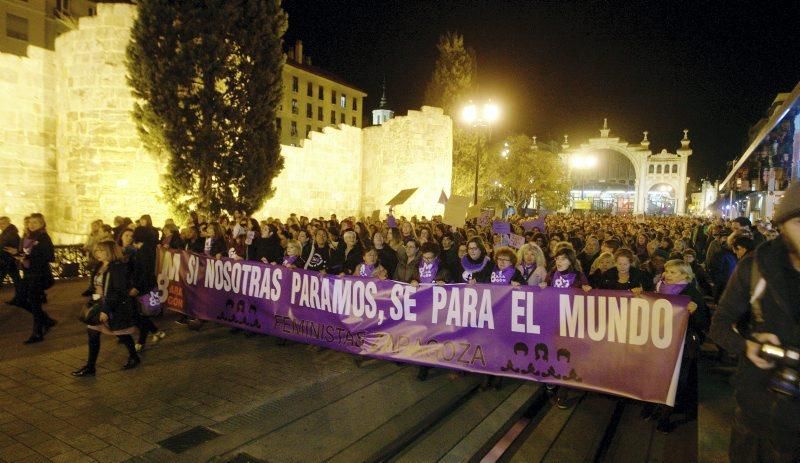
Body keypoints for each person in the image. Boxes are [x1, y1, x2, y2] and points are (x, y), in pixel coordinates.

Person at [709, 182, 800, 462]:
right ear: (782, 224)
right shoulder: (755, 268)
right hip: (759, 418)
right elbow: (720, 325)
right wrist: (747, 346)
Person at [644, 259, 709, 433]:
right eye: (667, 271)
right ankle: (655, 406)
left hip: (682, 345)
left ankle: (665, 416)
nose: (667, 275)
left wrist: (694, 311)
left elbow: (704, 322)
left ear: (685, 275)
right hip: (659, 342)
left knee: (675, 380)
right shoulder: (658, 289)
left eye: (673, 272)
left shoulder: (692, 294)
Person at [72, 240, 140, 376]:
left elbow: (118, 292)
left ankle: (134, 356)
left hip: (114, 307)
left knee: (122, 333)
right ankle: (90, 367)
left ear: (111, 251)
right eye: (97, 250)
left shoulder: (118, 268)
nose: (98, 253)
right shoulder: (99, 266)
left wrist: (106, 309)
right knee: (92, 333)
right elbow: (95, 285)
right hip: (99, 304)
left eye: (102, 250)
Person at [4, 213, 57, 344]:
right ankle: (46, 320)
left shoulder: (43, 237)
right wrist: (17, 253)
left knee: (35, 303)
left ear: (41, 224)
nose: (31, 225)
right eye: (30, 222)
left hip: (39, 275)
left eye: (35, 222)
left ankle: (38, 332)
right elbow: (27, 254)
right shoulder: (30, 236)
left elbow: (49, 256)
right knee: (21, 300)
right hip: (29, 274)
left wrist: (26, 257)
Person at [0, 217, 22, 305]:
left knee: (16, 279)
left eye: (3, 223)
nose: (1, 225)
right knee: (17, 279)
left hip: (6, 261)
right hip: (8, 260)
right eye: (0, 224)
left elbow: (4, 246)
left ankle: (21, 297)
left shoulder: (10, 234)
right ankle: (21, 297)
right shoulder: (8, 232)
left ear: (9, 223)